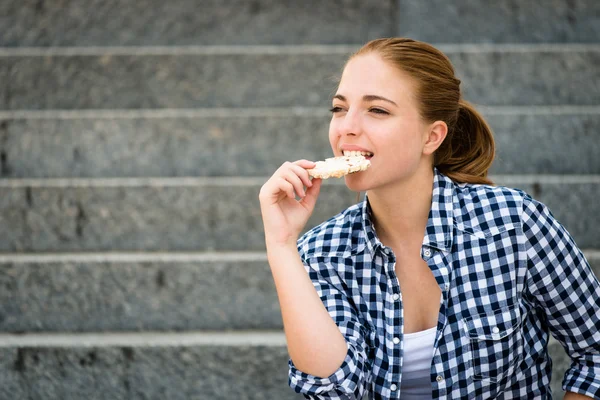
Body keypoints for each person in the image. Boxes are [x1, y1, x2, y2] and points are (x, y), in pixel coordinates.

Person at [258, 37, 600, 399]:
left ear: (431, 136)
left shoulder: (513, 224)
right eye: (339, 108)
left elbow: (595, 351)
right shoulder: (320, 253)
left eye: (377, 110)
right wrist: (281, 247)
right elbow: (334, 390)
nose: (347, 127)